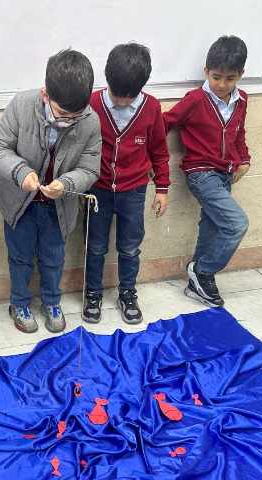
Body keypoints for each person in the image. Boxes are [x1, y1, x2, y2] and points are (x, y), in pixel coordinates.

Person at [0, 49, 101, 334]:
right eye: (62, 114)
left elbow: (90, 169)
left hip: (58, 208)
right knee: (20, 257)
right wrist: (21, 172)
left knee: (54, 259)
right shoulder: (22, 105)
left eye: (75, 116)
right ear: (45, 94)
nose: (68, 121)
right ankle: (19, 303)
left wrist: (66, 184)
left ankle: (52, 302)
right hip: (19, 204)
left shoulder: (90, 121)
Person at [82, 42, 170, 325]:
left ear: (141, 87)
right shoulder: (92, 103)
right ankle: (92, 293)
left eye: (128, 97)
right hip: (97, 190)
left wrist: (162, 189)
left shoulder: (151, 107)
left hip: (134, 191)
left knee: (130, 247)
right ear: (107, 80)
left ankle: (127, 293)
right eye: (116, 95)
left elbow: (159, 151)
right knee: (95, 245)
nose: (120, 102)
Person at [163, 35, 251, 308]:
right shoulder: (195, 99)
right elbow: (165, 122)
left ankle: (196, 286)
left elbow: (239, 133)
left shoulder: (242, 100)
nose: (222, 84)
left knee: (212, 226)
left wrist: (244, 159)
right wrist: (149, 157)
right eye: (216, 77)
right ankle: (202, 270)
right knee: (236, 223)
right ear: (206, 71)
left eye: (230, 78)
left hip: (226, 173)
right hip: (200, 173)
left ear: (241, 75)